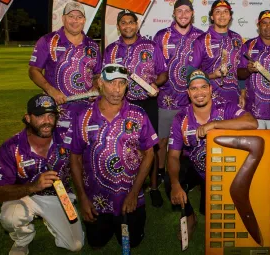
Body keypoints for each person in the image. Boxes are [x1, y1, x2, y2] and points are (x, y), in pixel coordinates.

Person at [66, 64, 158, 249]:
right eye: (111, 83)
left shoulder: (138, 114)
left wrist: (134, 193)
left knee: (133, 242)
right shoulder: (84, 116)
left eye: (122, 83)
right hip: (96, 200)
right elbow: (74, 157)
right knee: (97, 242)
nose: (117, 90)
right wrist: (83, 198)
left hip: (129, 199)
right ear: (100, 83)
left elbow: (149, 154)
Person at [167, 69, 258, 238]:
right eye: (194, 89)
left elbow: (252, 122)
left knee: (212, 214)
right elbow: (173, 155)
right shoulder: (181, 118)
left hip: (222, 169)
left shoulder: (226, 107)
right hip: (197, 166)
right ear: (188, 93)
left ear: (210, 89)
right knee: (171, 179)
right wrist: (175, 185)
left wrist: (215, 125)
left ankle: (206, 194)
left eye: (203, 87)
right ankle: (189, 215)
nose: (199, 93)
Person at [0, 94, 84, 255]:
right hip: (25, 195)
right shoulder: (11, 147)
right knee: (10, 217)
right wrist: (33, 187)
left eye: (51, 115)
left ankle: (50, 218)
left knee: (75, 245)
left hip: (60, 196)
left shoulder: (65, 138)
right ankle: (22, 240)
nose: (47, 121)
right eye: (40, 116)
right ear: (28, 118)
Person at [103, 9, 168, 207]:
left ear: (136, 24)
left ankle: (154, 187)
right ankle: (125, 185)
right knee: (122, 145)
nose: (128, 26)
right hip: (121, 104)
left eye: (131, 22)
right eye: (123, 23)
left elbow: (163, 73)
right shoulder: (111, 50)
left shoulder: (151, 45)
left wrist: (156, 84)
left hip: (147, 103)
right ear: (119, 26)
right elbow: (104, 78)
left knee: (151, 147)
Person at [153, 0, 203, 199]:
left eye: (187, 11)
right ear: (174, 14)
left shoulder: (200, 36)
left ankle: (192, 179)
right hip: (166, 100)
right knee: (163, 142)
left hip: (194, 102)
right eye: (179, 11)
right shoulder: (161, 36)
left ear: (192, 13)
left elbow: (204, 68)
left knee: (194, 140)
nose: (183, 14)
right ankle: (160, 180)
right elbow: (157, 68)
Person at [28, 2, 102, 121]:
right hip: (57, 110)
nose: (75, 21)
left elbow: (97, 73)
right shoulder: (47, 41)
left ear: (84, 20)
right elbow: (33, 70)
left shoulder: (93, 45)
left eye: (79, 17)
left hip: (87, 110)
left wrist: (95, 86)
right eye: (71, 16)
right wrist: (50, 90)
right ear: (63, 18)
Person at [187, 0, 243, 104]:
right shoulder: (201, 40)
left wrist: (242, 94)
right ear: (212, 17)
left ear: (230, 16)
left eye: (226, 11)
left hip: (234, 100)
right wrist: (213, 75)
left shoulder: (237, 38)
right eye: (217, 11)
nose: (222, 15)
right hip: (210, 101)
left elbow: (240, 70)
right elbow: (190, 73)